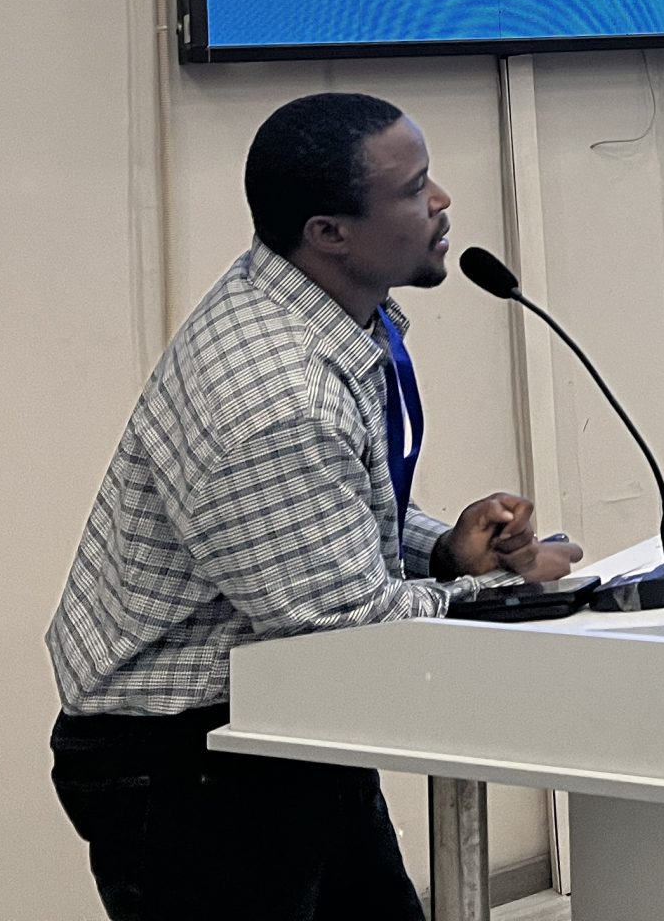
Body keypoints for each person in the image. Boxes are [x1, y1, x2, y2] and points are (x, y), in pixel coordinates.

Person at [46, 92, 583, 919]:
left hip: (275, 714)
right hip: (188, 763)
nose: (442, 202)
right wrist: (512, 590)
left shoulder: (311, 310)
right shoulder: (277, 392)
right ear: (329, 232)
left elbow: (324, 519)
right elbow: (342, 625)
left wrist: (446, 552)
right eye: (414, 189)